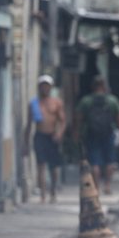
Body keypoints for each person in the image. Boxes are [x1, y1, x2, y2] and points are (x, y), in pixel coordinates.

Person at [75, 76, 119, 194]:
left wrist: (76, 132)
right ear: (104, 86)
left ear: (93, 86)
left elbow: (78, 118)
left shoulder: (86, 101)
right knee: (110, 161)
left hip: (92, 134)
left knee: (94, 162)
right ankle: (107, 185)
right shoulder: (112, 100)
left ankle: (96, 186)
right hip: (109, 133)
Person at [26, 75, 66, 203]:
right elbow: (29, 124)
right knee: (40, 165)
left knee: (53, 167)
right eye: (42, 86)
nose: (45, 88)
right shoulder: (34, 103)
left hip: (52, 136)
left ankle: (53, 191)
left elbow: (62, 121)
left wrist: (59, 134)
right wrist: (25, 142)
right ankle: (43, 194)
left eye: (47, 86)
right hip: (40, 135)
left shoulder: (56, 103)